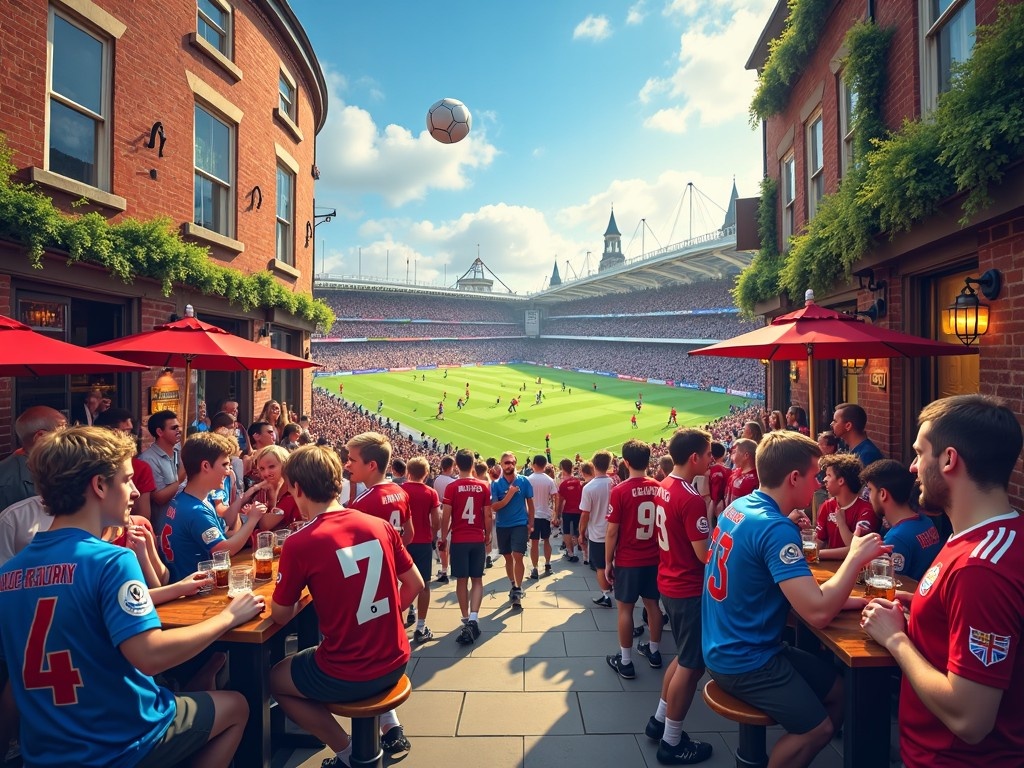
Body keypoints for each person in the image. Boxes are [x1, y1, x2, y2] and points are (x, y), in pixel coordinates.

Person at [0, 426, 263, 768]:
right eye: (126, 480)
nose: (136, 490)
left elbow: (14, 683)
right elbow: (150, 655)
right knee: (237, 706)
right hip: (122, 739)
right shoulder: (111, 560)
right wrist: (228, 617)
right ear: (98, 486)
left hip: (47, 751)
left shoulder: (9, 574)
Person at [702, 431, 888, 768]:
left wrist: (852, 600)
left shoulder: (740, 508)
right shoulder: (776, 529)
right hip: (746, 659)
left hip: (727, 645)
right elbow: (816, 613)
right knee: (818, 730)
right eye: (815, 474)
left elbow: (796, 593)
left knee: (839, 693)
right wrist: (854, 558)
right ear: (793, 477)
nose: (818, 482)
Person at [861, 395, 1024, 767]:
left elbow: (971, 719)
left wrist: (895, 639)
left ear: (949, 459)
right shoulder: (981, 535)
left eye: (920, 453)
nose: (913, 467)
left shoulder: (980, 569)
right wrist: (917, 605)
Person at [269, 445, 423, 766]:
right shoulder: (377, 525)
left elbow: (281, 615)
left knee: (276, 680)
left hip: (349, 672)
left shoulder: (301, 541)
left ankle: (347, 751)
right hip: (396, 658)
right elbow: (415, 585)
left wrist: (297, 597)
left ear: (297, 488)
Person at [644, 429, 714, 765]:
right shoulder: (690, 497)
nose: (712, 459)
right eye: (708, 453)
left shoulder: (664, 488)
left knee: (683, 656)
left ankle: (660, 721)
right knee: (692, 664)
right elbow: (704, 555)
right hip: (688, 587)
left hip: (669, 581)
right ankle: (672, 742)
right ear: (695, 458)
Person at [161, 433, 269, 581]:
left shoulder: (189, 499)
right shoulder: (195, 511)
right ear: (205, 466)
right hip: (195, 590)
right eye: (224, 465)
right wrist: (252, 520)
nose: (228, 471)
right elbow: (224, 550)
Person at [605, 440, 664, 680]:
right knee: (653, 606)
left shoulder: (620, 490)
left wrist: (608, 562)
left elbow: (611, 531)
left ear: (626, 462)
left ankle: (626, 661)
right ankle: (654, 651)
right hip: (654, 557)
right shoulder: (660, 487)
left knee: (625, 610)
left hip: (629, 560)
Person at [860, 459, 943, 582]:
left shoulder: (896, 539)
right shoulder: (926, 521)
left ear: (883, 494)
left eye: (870, 489)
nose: (868, 496)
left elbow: (885, 583)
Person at [442, 450, 493, 644]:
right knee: (477, 579)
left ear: (456, 464)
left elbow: (446, 514)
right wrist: (487, 534)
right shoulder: (483, 486)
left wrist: (444, 536)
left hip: (459, 539)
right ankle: (474, 617)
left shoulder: (452, 487)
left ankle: (465, 619)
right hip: (476, 538)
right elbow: (487, 514)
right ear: (473, 465)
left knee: (461, 581)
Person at [345, 433, 413, 542]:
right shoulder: (400, 492)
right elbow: (409, 534)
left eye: (352, 460)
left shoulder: (363, 503)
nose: (347, 465)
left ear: (371, 465)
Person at [94, 407, 157, 522]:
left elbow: (144, 515)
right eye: (125, 433)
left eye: (131, 433)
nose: (130, 438)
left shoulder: (141, 467)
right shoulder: (88, 467)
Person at [402, 457, 440, 643]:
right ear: (426, 474)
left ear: (408, 471)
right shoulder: (430, 493)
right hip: (423, 542)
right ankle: (421, 626)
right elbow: (436, 521)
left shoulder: (400, 491)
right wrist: (433, 536)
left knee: (403, 581)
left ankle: (408, 612)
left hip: (403, 543)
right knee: (424, 584)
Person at [0, 406, 67, 512]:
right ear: (41, 437)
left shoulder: (65, 466)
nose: (69, 435)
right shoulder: (6, 483)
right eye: (62, 428)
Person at [813, 453, 878, 560]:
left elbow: (856, 549)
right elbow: (819, 541)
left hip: (857, 572)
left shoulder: (866, 510)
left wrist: (841, 522)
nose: (824, 479)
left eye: (829, 475)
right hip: (828, 570)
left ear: (841, 481)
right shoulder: (826, 506)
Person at [490, 451, 534, 604]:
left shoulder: (524, 481)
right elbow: (495, 507)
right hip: (503, 526)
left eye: (512, 462)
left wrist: (531, 523)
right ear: (501, 465)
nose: (509, 465)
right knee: (508, 557)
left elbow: (530, 504)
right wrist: (510, 494)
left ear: (515, 463)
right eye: (506, 463)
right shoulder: (495, 484)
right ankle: (512, 584)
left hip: (520, 524)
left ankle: (518, 588)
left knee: (518, 555)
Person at [138, 409, 185, 531]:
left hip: (183, 522)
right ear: (159, 432)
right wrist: (181, 478)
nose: (178, 430)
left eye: (178, 427)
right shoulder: (148, 459)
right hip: (164, 528)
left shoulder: (179, 451)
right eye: (173, 428)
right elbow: (159, 497)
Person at [580, 450, 615, 607]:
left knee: (600, 566)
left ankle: (606, 594)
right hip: (616, 532)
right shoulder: (615, 484)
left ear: (594, 465)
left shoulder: (589, 488)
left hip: (598, 534)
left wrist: (581, 533)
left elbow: (585, 514)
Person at [527, 455, 558, 579]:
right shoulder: (549, 480)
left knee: (534, 543)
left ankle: (535, 568)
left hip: (533, 515)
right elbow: (555, 497)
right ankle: (548, 564)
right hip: (545, 514)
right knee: (546, 540)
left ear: (534, 464)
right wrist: (554, 513)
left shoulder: (529, 479)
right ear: (545, 465)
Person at [432, 456, 458, 584]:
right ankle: (447, 569)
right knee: (447, 542)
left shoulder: (437, 480)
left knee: (443, 542)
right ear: (450, 467)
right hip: (450, 512)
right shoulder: (451, 482)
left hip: (441, 510)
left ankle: (444, 568)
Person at [557, 458, 583, 563]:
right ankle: (577, 551)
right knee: (576, 532)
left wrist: (558, 513)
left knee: (566, 531)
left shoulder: (563, 484)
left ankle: (570, 553)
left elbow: (560, 501)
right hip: (578, 510)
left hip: (567, 511)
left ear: (563, 469)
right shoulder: (578, 482)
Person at [725, 438, 758, 506]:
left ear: (746, 455)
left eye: (735, 452)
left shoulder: (754, 480)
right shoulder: (735, 472)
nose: (731, 456)